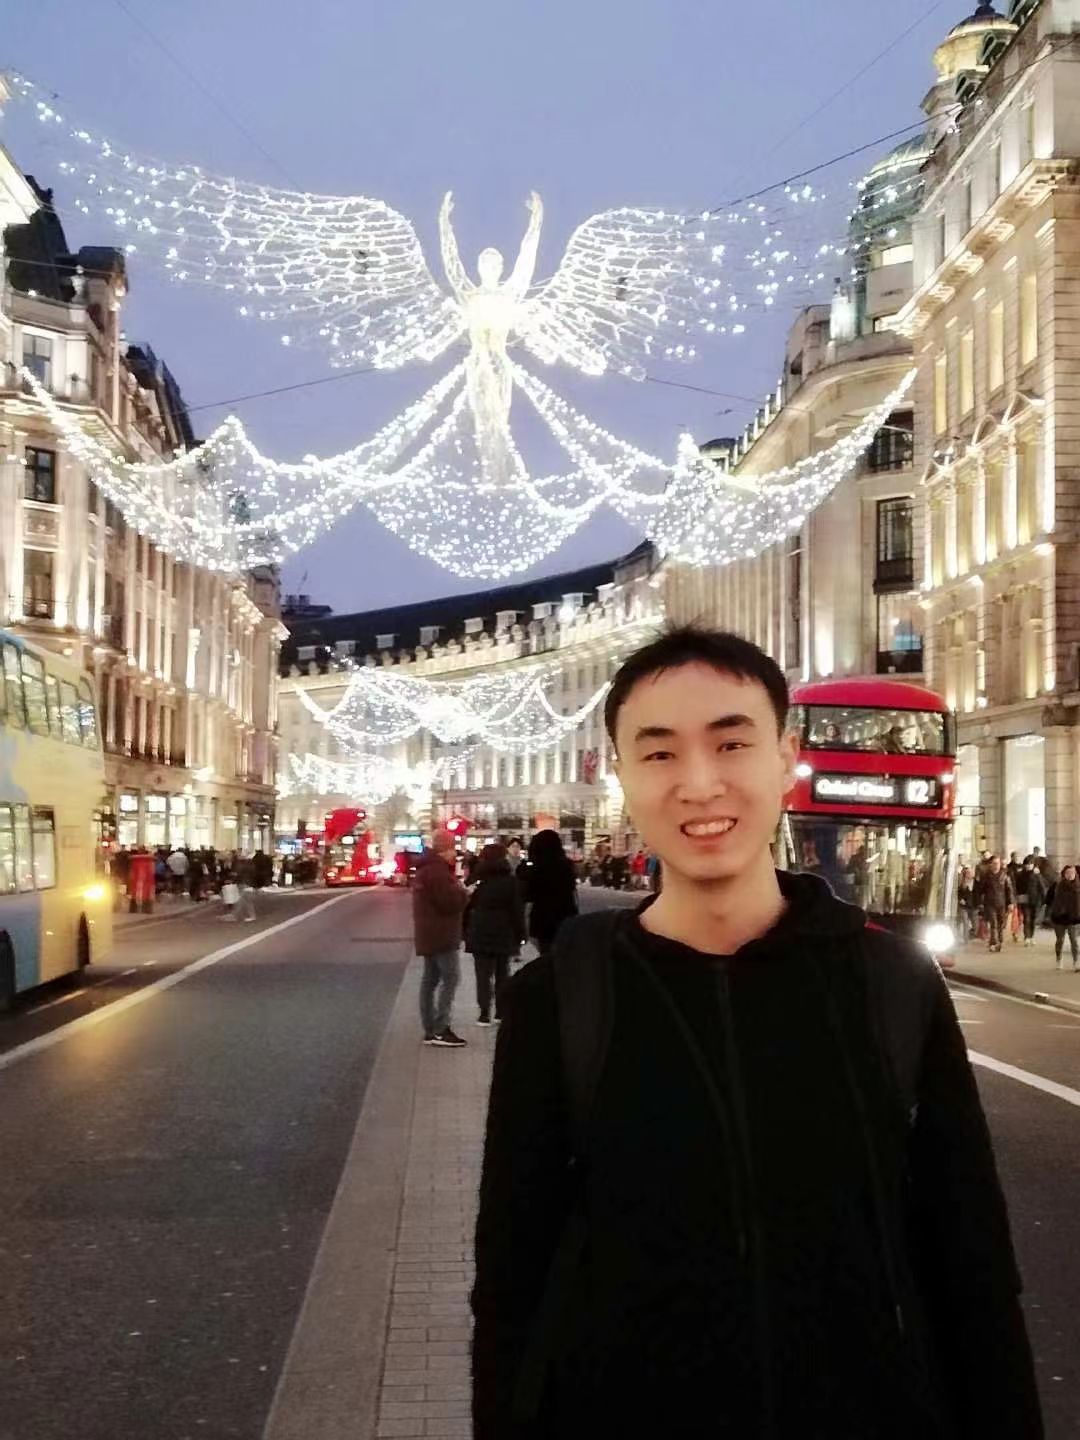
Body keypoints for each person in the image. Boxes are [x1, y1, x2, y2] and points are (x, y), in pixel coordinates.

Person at [472, 626, 1041, 1440]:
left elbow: (975, 1273)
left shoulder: (893, 983)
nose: (700, 784)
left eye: (731, 743)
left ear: (786, 760)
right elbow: (509, 1284)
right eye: (659, 753)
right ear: (622, 777)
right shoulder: (559, 1000)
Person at [413, 828, 469, 1048]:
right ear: (444, 849)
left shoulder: (426, 869)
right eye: (453, 848)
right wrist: (464, 892)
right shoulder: (438, 872)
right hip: (442, 934)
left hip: (429, 933)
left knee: (430, 980)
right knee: (451, 978)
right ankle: (440, 1028)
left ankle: (430, 1029)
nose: (455, 853)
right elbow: (450, 903)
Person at [464, 843, 526, 1025]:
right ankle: (500, 1012)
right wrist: (521, 934)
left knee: (482, 975)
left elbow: (466, 907)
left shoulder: (476, 880)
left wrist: (464, 931)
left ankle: (484, 1013)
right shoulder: (511, 881)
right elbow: (517, 910)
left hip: (480, 930)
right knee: (502, 973)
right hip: (503, 931)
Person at [517, 828, 578, 957]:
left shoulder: (535, 868)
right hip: (565, 914)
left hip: (542, 916)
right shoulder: (566, 866)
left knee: (546, 953)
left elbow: (528, 895)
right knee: (562, 953)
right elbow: (572, 892)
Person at [979, 855, 1014, 953]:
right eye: (994, 863)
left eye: (998, 863)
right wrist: (980, 903)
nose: (996, 865)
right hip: (990, 904)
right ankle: (993, 943)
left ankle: (1000, 942)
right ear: (990, 864)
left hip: (1002, 904)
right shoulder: (986, 876)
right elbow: (981, 890)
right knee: (993, 923)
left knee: (1001, 924)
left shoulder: (1004, 876)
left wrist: (1010, 903)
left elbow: (1009, 890)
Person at [1049, 864, 1080, 972]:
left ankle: (1076, 962)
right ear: (1064, 874)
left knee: (1074, 940)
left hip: (1074, 917)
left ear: (1075, 874)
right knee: (1060, 940)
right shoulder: (1058, 885)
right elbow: (1049, 898)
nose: (1070, 875)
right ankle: (1059, 959)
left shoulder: (1078, 885)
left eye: (1072, 873)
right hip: (1060, 917)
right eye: (1068, 873)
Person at [1014, 857, 1046, 948]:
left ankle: (1031, 936)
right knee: (1026, 919)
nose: (1028, 866)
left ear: (1033, 865)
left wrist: (1044, 899)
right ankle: (1027, 937)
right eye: (1027, 864)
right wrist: (1017, 897)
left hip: (1035, 900)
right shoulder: (1020, 875)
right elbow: (1017, 887)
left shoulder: (1037, 875)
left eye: (1030, 864)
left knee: (1033, 919)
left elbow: (1042, 887)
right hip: (1024, 900)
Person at [957, 865, 977, 941]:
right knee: (965, 922)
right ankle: (965, 939)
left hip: (974, 906)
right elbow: (958, 893)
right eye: (967, 873)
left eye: (970, 873)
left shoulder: (976, 883)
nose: (969, 874)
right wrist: (960, 899)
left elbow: (979, 893)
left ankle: (971, 934)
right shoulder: (962, 883)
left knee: (975, 925)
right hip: (964, 906)